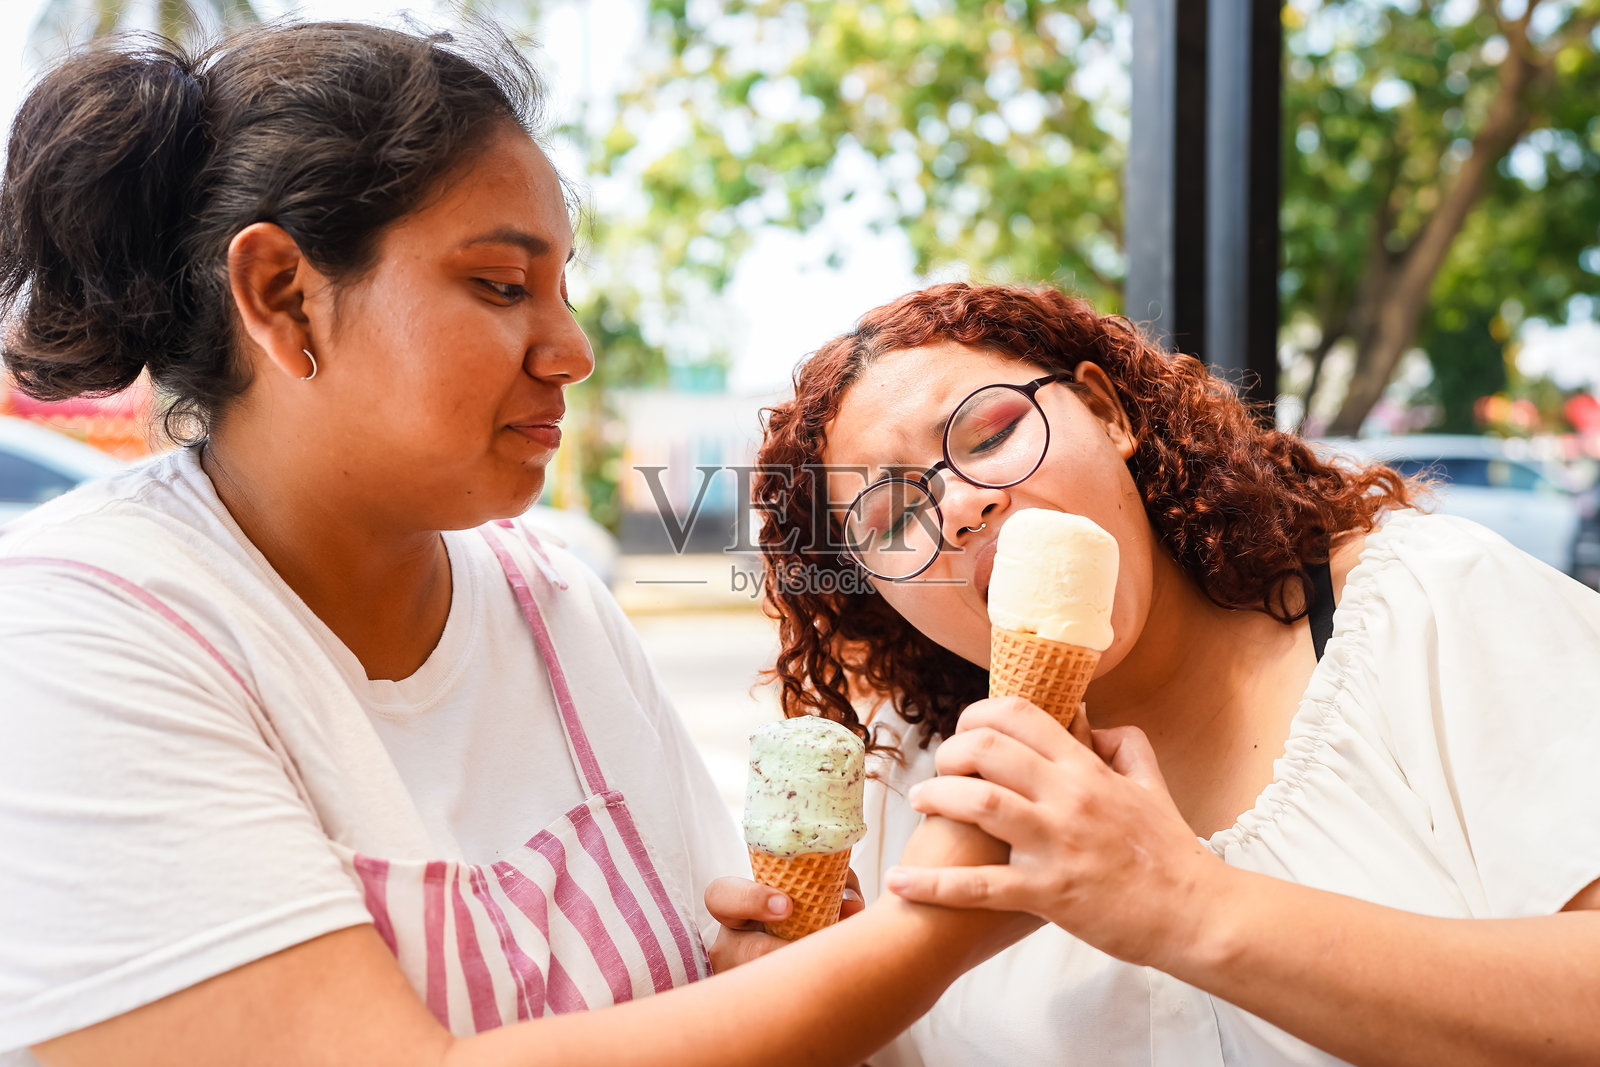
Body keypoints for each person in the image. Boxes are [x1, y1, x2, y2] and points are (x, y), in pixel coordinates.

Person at [0, 25, 1032, 1067]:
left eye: (563, 287)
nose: (572, 350)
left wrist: (778, 967)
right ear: (281, 293)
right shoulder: (75, 632)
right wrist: (934, 927)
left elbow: (722, 972)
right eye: (501, 286)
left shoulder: (551, 601)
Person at [752, 282, 1600, 1067]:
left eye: (995, 432)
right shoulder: (902, 785)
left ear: (1105, 409)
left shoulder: (1430, 606)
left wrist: (1186, 904)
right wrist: (808, 1000)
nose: (963, 505)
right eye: (893, 515)